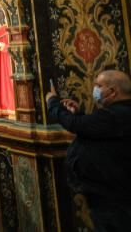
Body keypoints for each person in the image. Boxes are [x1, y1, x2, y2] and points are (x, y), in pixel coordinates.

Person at [46, 70, 131, 231]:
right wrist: (78, 114)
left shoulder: (116, 115)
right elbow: (95, 131)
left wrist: (53, 103)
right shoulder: (115, 115)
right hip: (109, 195)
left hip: (113, 199)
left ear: (112, 92)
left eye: (98, 86)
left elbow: (76, 125)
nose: (95, 90)